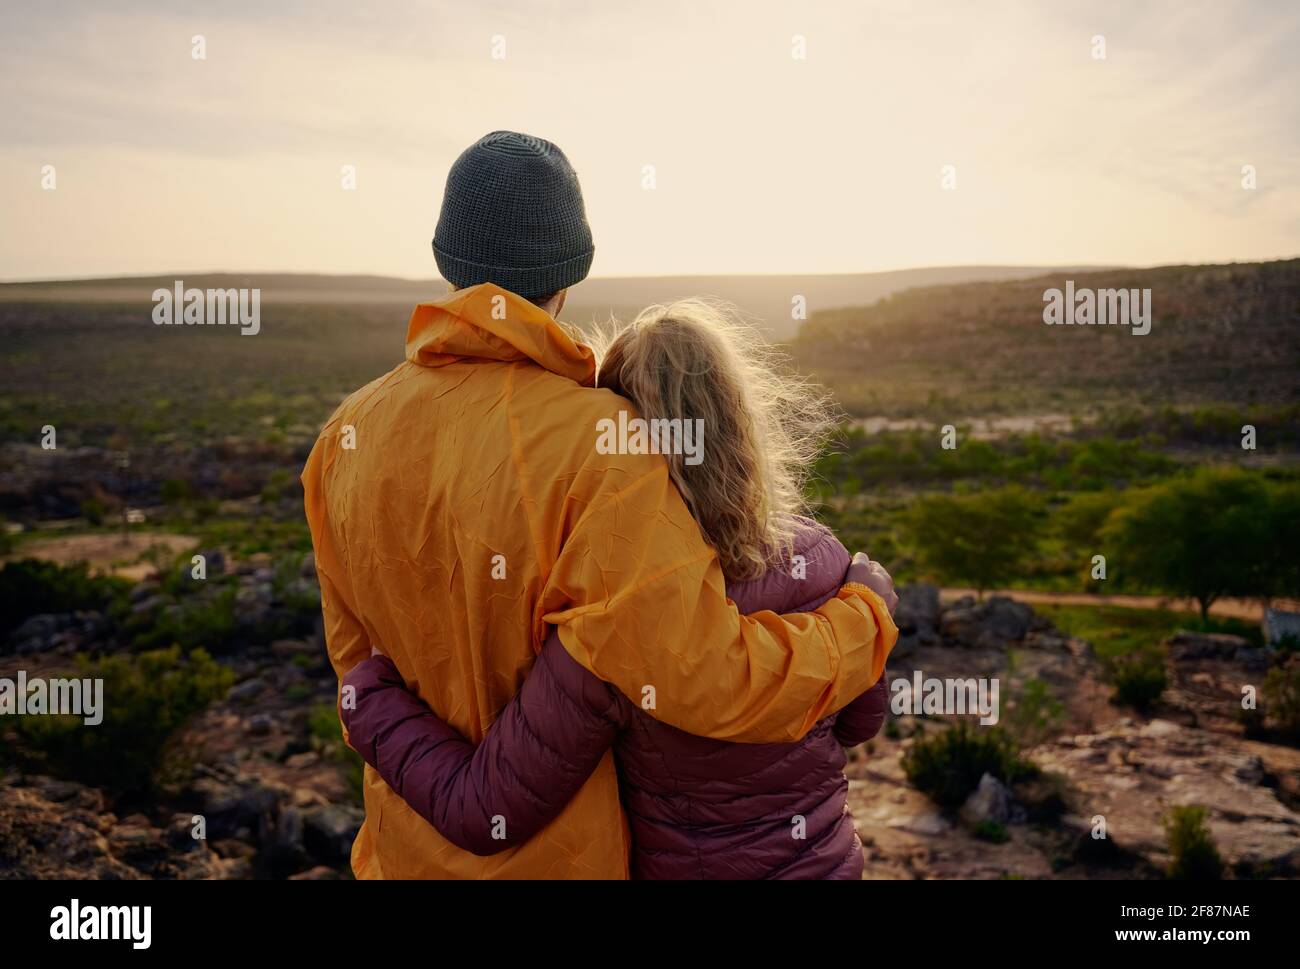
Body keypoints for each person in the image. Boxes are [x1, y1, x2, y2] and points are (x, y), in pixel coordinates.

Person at [302, 131, 897, 879]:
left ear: (445, 259)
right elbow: (706, 675)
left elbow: (358, 665)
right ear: (571, 271)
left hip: (399, 854)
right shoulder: (604, 444)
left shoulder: (343, 436)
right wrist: (863, 620)